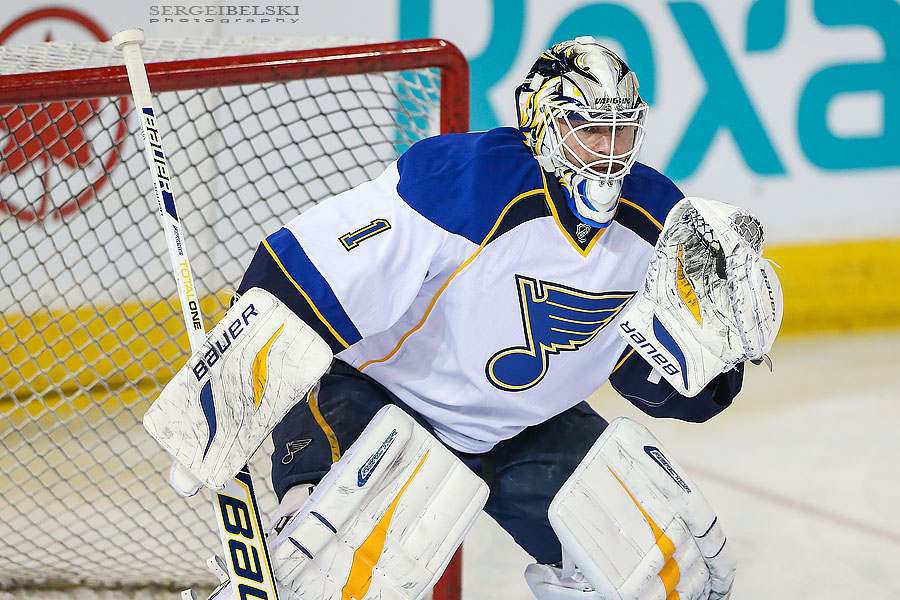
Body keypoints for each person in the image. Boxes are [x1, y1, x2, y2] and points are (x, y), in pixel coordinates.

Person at [150, 36, 779, 600]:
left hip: (525, 426)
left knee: (663, 574)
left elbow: (648, 382)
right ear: (541, 123)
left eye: (621, 131)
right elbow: (300, 270)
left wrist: (717, 358)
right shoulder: (462, 186)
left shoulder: (660, 224)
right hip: (376, 397)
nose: (607, 151)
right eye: (587, 129)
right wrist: (229, 392)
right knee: (328, 575)